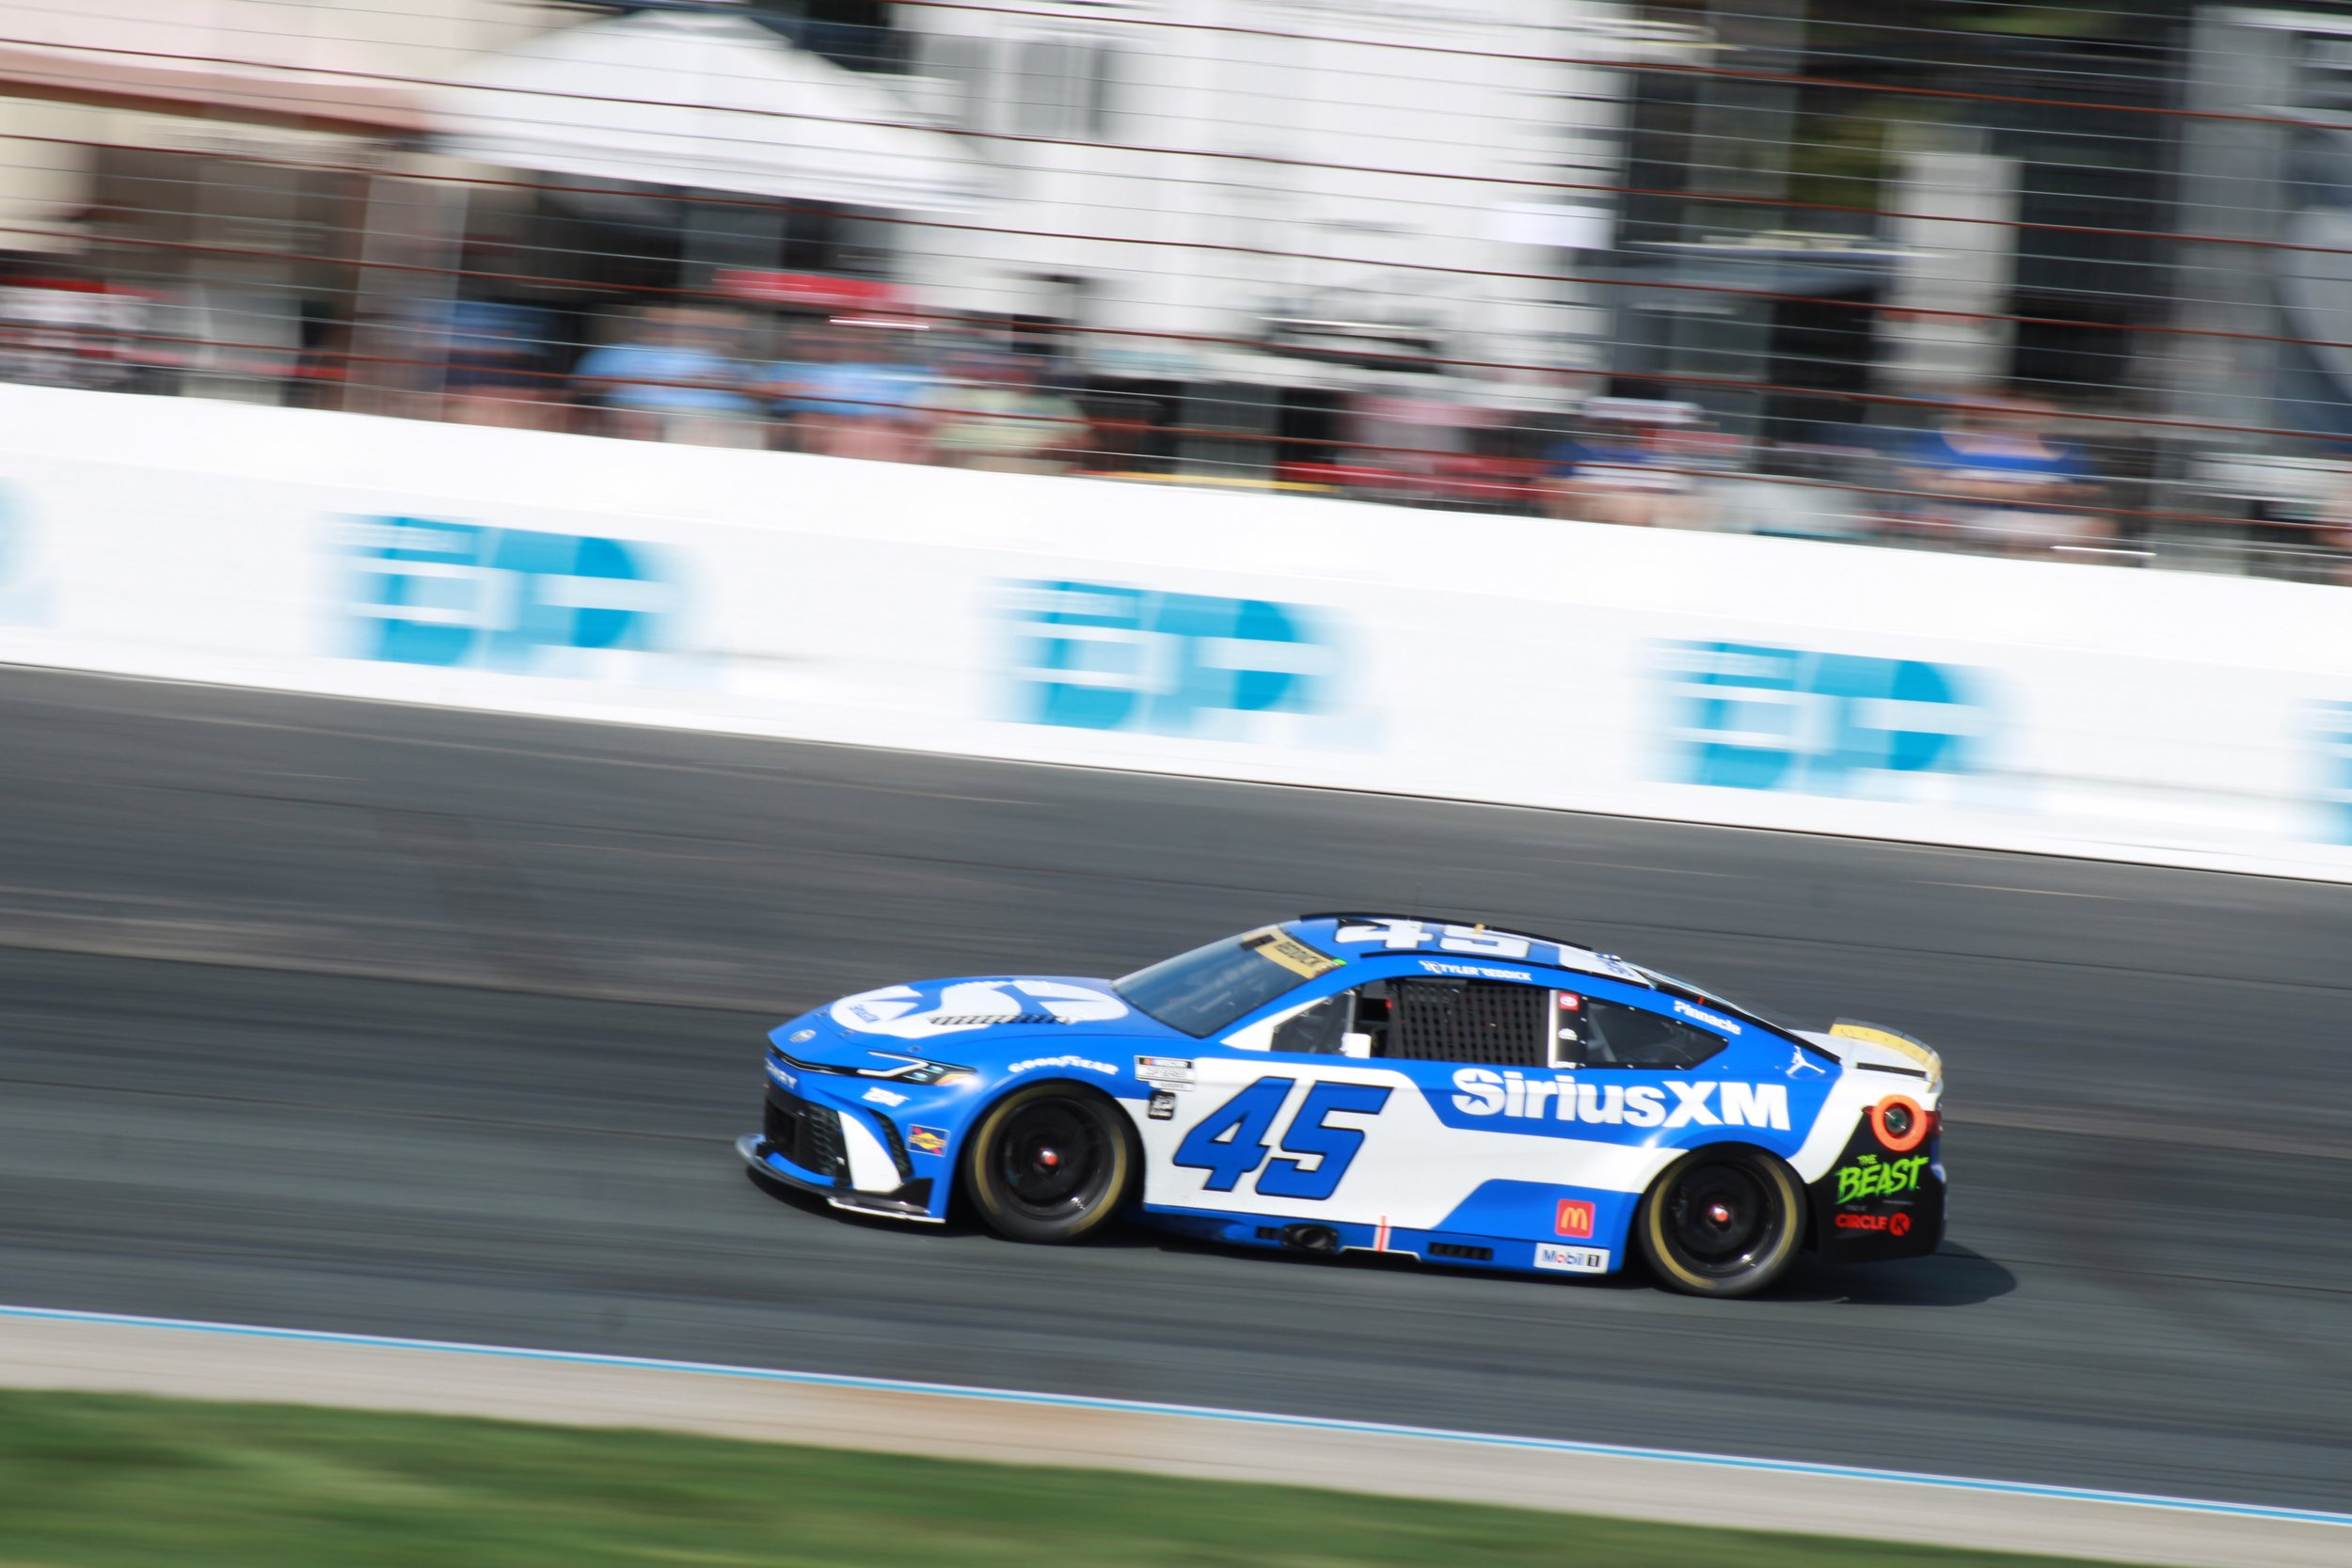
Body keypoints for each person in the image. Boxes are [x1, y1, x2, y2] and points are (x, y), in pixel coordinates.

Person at [1897, 393, 2111, 556]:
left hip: (2039, 527)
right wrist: (2021, 491)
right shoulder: (1939, 442)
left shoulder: (2066, 449)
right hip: (1966, 523)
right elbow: (1914, 478)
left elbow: (2091, 490)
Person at [570, 305, 764, 448]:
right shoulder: (618, 353)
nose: (663, 329)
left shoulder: (719, 357)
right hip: (641, 415)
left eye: (669, 325)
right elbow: (581, 389)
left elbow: (764, 392)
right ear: (639, 327)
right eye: (655, 325)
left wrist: (726, 381)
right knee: (642, 421)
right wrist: (634, 380)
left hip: (720, 418)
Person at [757, 321, 933, 463]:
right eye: (803, 343)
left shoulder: (899, 373)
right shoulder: (800, 369)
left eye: (871, 343)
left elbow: (920, 411)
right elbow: (762, 389)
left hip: (873, 432)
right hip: (822, 431)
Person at [1539, 399, 1712, 528]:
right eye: (1608, 422)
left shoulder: (1645, 456)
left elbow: (1678, 486)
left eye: (1622, 424)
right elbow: (1545, 487)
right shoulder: (1568, 451)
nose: (1617, 428)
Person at [918, 350, 1090, 474]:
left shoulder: (1058, 405)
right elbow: (942, 440)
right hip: (980, 472)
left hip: (1042, 475)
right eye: (1014, 368)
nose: (1019, 375)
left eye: (1027, 371)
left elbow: (1085, 443)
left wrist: (1046, 449)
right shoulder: (981, 398)